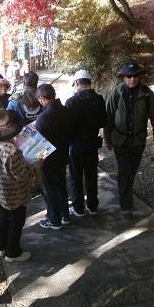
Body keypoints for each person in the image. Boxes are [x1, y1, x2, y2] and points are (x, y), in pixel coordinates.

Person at [104, 62, 154, 219]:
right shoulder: (116, 92)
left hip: (138, 139)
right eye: (129, 76)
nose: (132, 79)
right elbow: (108, 117)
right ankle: (126, 207)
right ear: (123, 78)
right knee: (124, 171)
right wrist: (107, 138)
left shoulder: (147, 93)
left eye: (136, 75)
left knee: (132, 171)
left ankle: (126, 194)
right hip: (119, 139)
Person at [0, 109, 37, 262]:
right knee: (16, 222)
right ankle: (13, 253)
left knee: (3, 217)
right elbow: (23, 175)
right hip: (16, 193)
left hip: (0, 189)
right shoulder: (12, 151)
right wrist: (37, 165)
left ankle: (0, 248)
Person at [66, 69, 107, 217]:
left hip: (76, 144)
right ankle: (93, 206)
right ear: (89, 83)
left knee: (76, 177)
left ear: (77, 83)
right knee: (91, 175)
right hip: (92, 143)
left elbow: (68, 126)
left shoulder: (71, 102)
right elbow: (104, 121)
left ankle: (78, 208)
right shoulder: (99, 99)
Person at [35, 84, 75, 229]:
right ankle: (65, 215)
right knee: (61, 186)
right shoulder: (67, 111)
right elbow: (72, 133)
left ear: (43, 98)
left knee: (50, 190)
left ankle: (54, 220)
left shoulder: (43, 117)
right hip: (63, 154)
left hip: (49, 159)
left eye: (40, 100)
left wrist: (39, 161)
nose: (40, 102)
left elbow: (39, 143)